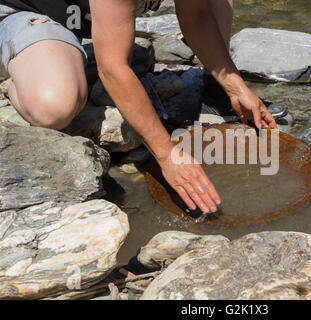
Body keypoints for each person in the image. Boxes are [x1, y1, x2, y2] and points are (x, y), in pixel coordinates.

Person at [0, 0, 287, 216]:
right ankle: (17, 69)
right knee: (54, 107)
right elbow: (113, 69)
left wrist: (235, 86)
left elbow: (198, 17)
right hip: (33, 12)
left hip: (92, 13)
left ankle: (214, 92)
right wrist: (166, 153)